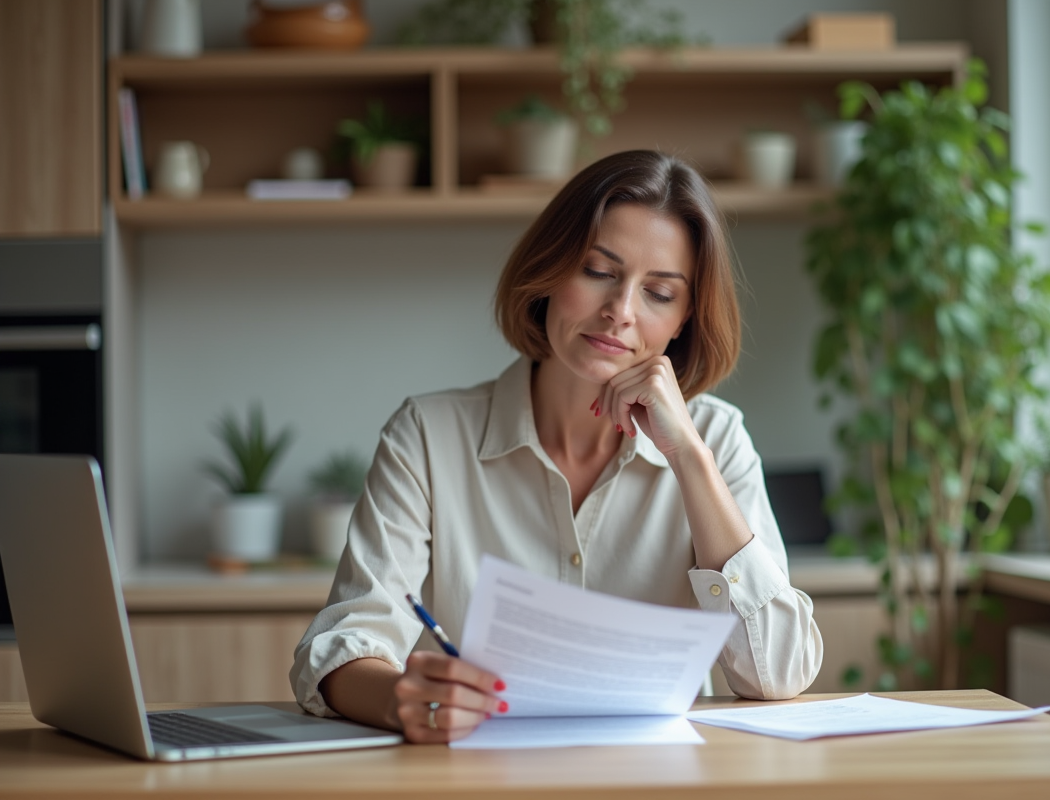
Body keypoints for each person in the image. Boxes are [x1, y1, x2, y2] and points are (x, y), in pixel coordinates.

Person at [290, 149, 823, 743]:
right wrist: (402, 700)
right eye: (598, 271)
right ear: (550, 270)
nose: (620, 312)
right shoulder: (428, 435)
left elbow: (779, 674)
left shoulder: (718, 439)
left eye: (660, 293)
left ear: (684, 319)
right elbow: (338, 647)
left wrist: (691, 460)